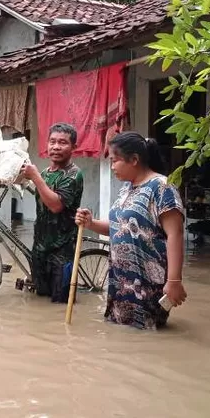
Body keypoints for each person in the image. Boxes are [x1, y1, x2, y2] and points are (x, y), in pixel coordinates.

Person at [75, 132, 187, 329]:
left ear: (134, 160)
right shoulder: (126, 188)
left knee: (147, 333)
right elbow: (120, 228)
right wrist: (91, 223)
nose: (112, 167)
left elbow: (175, 235)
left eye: (114, 161)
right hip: (120, 281)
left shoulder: (162, 187)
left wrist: (174, 281)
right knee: (121, 332)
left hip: (147, 282)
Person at [22, 123, 84, 303]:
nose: (56, 147)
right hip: (40, 246)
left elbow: (56, 205)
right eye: (52, 141)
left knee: (60, 303)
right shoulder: (44, 173)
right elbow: (42, 195)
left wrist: (35, 177)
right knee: (41, 299)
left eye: (63, 142)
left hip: (62, 250)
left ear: (74, 147)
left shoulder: (73, 174)